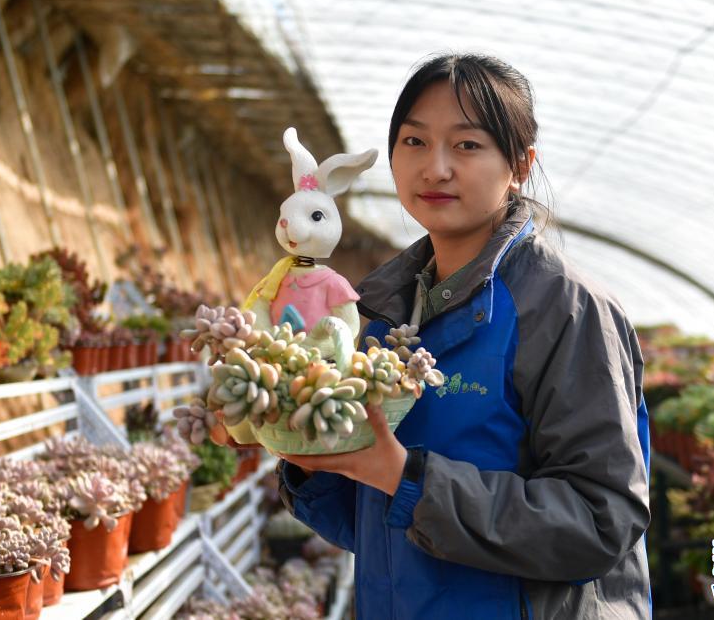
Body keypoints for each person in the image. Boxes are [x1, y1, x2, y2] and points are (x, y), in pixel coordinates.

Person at [275, 53, 651, 619]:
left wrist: (406, 477)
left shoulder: (565, 309)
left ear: (520, 164)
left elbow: (600, 523)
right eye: (415, 142)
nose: (436, 168)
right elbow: (375, 529)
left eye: (467, 145)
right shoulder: (381, 313)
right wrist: (308, 459)